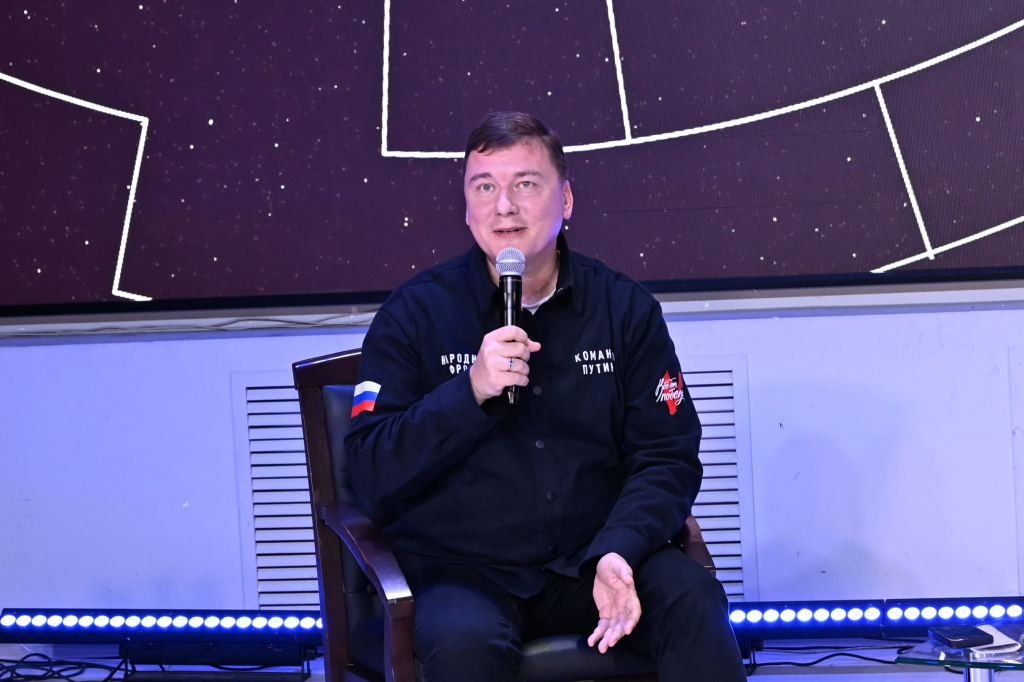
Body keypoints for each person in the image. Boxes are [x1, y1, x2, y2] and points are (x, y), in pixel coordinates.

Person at [344, 111, 746, 681]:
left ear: (567, 200)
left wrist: (619, 549)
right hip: (462, 571)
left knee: (692, 599)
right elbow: (369, 469)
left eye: (526, 184)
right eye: (484, 187)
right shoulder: (413, 314)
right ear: (466, 208)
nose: (504, 207)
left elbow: (668, 455)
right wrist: (469, 392)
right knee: (464, 645)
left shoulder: (624, 309)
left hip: (596, 555)